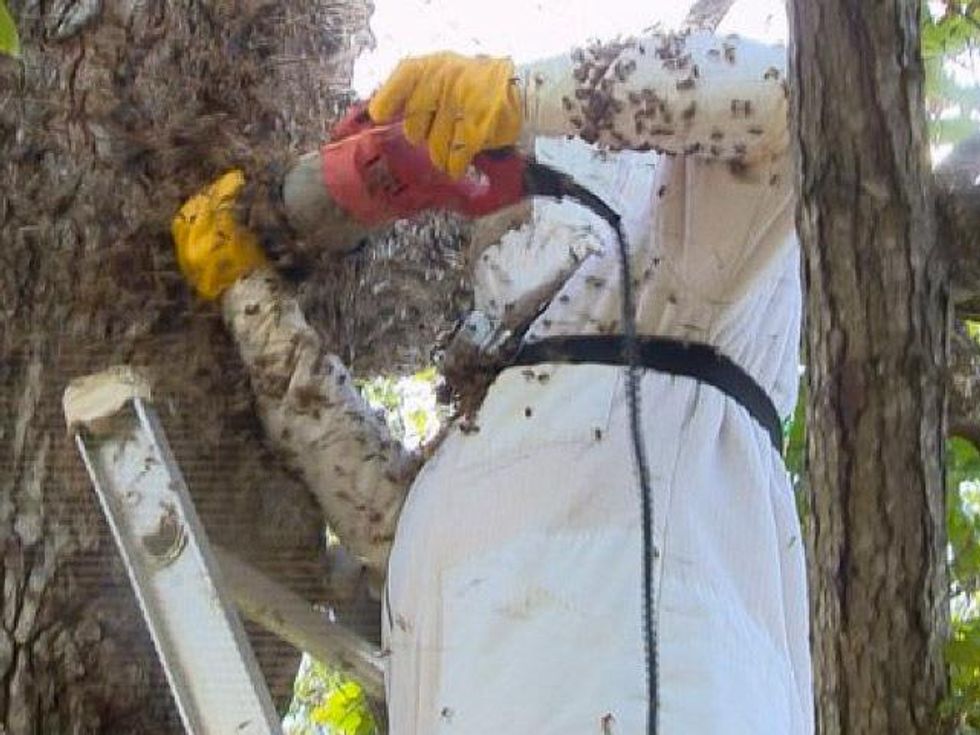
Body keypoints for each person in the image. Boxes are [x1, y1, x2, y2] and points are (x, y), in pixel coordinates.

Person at [172, 27, 812, 735]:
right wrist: (251, 298)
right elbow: (385, 520)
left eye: (512, 216)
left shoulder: (682, 296)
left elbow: (789, 101)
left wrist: (516, 96)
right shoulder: (515, 415)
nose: (491, 237)